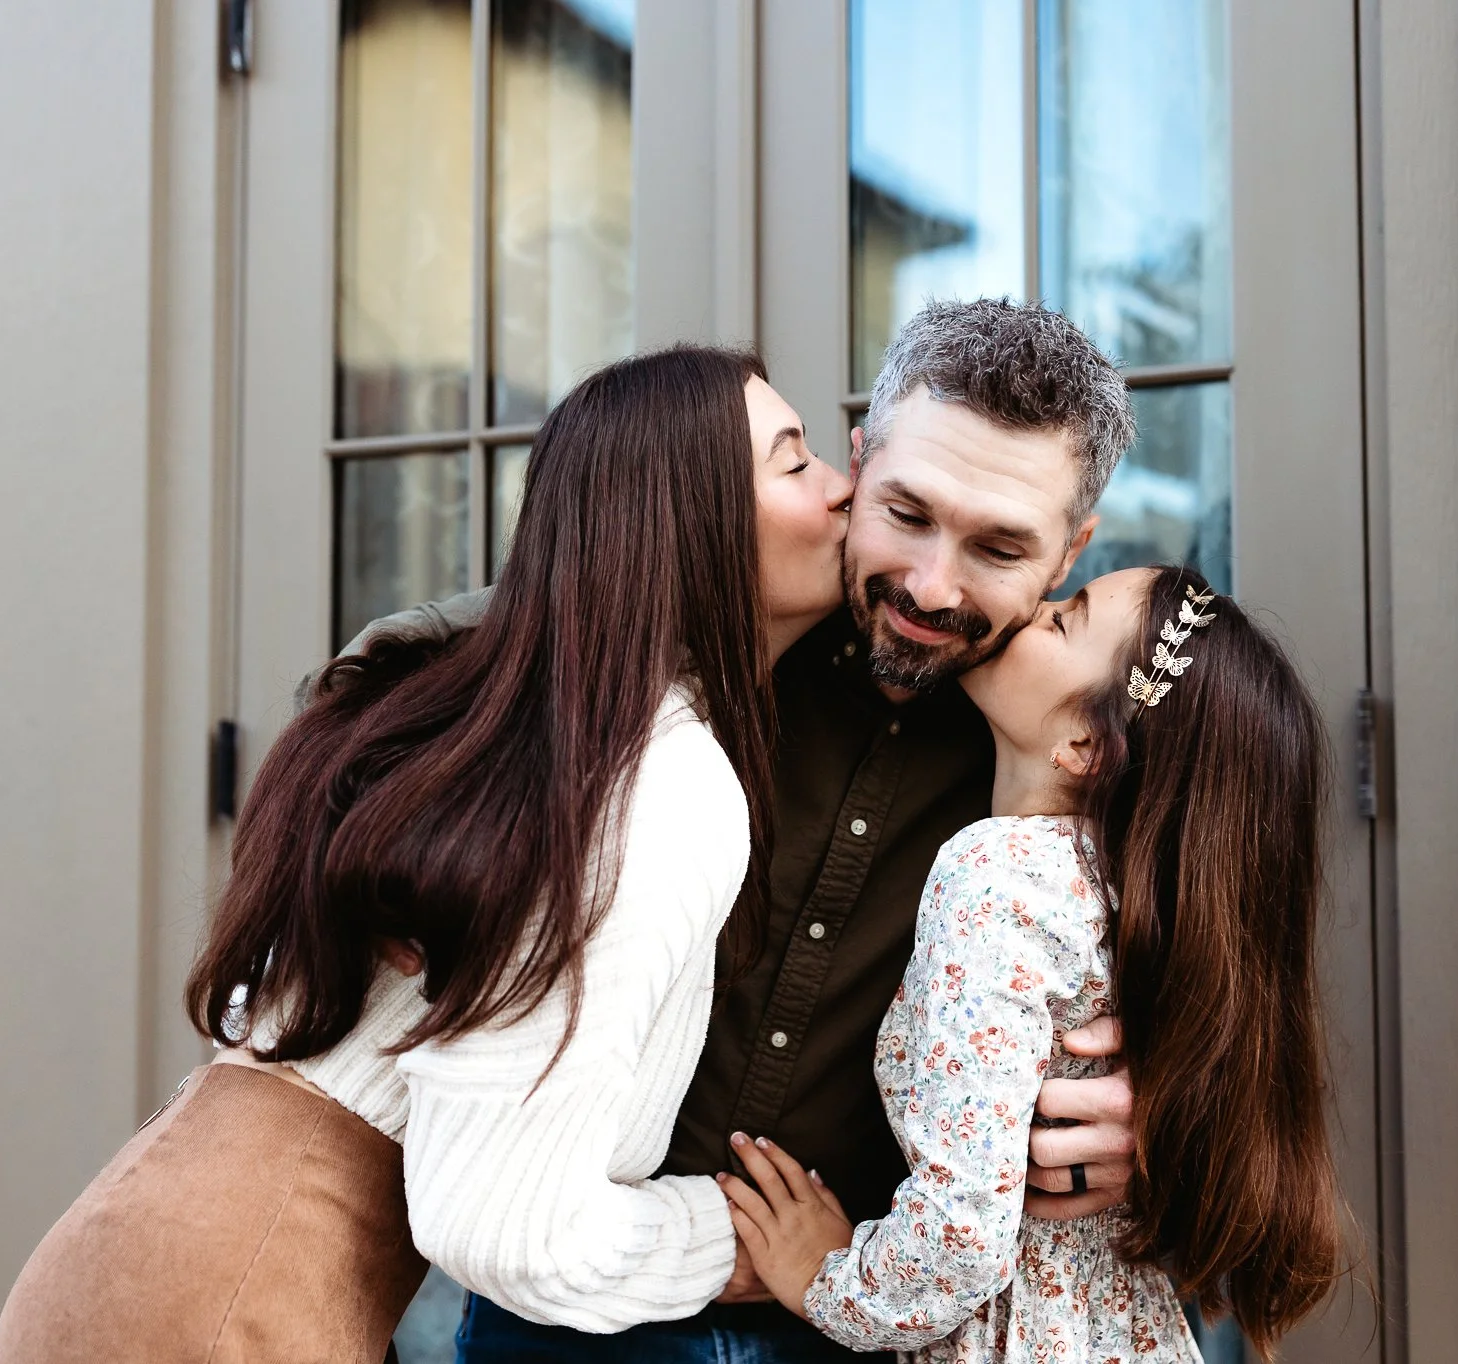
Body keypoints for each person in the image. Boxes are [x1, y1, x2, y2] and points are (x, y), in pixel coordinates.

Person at [0, 346, 853, 1363]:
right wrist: (749, 1243)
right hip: (231, 1303)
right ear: (687, 520)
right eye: (794, 462)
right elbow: (508, 1227)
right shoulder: (654, 777)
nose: (842, 486)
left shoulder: (526, 733)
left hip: (141, 1255)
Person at [355, 299, 1153, 1361]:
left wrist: (1158, 1118)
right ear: (857, 463)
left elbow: (1214, 996)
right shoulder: (717, 628)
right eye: (905, 512)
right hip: (577, 1301)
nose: (929, 584)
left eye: (998, 545)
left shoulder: (1072, 754)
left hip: (865, 1322)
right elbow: (465, 645)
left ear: (1069, 552)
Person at [724, 564, 1348, 1362]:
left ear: (1086, 745)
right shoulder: (1137, 896)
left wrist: (828, 1281)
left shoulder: (995, 875)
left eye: (1064, 619)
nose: (1032, 613)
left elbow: (961, 1234)